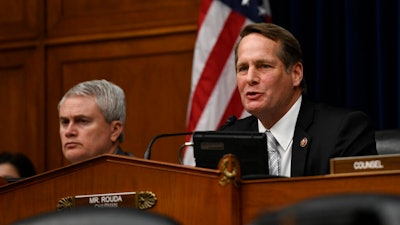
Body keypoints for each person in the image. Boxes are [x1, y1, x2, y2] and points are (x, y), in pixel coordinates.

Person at [220, 23, 377, 177]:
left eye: (264, 66)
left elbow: (355, 201)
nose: (250, 78)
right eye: (243, 68)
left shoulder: (343, 132)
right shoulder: (228, 139)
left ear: (296, 74)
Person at [58, 79, 134, 163]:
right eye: (65, 122)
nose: (68, 132)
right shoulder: (60, 176)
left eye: (82, 121)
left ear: (114, 130)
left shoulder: (139, 175)